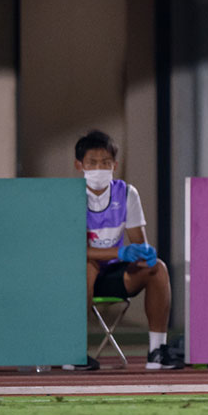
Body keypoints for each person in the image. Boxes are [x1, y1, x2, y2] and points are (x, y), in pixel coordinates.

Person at [64, 130, 183, 371]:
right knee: (87, 266)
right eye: (92, 163)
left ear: (115, 165)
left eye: (105, 163)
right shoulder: (70, 197)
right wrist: (119, 253)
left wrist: (145, 252)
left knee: (157, 268)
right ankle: (74, 352)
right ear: (79, 165)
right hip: (79, 279)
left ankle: (157, 351)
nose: (99, 168)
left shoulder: (127, 193)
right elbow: (75, 251)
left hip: (115, 275)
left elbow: (138, 243)